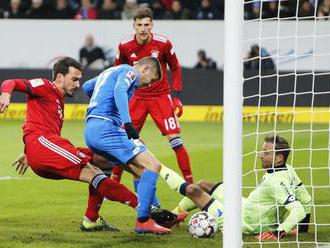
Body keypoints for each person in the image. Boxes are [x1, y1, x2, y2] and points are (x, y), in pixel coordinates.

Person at [0, 57, 142, 232]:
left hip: (43, 147)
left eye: (79, 80)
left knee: (103, 159)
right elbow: (11, 82)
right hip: (42, 146)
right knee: (93, 172)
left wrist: (27, 151)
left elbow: (36, 122)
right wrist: (6, 94)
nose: (78, 84)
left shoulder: (58, 101)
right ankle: (145, 209)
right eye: (74, 79)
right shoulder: (45, 86)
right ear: (60, 77)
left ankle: (91, 220)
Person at [82, 56, 179, 234]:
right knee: (152, 165)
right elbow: (119, 89)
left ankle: (157, 214)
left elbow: (87, 86)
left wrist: (100, 102)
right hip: (106, 128)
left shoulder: (109, 71)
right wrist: (127, 123)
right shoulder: (130, 71)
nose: (147, 85)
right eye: (150, 81)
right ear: (145, 69)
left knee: (138, 170)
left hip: (91, 129)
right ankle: (143, 221)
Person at [158, 135, 312, 240]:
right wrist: (303, 229)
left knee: (192, 191)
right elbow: (306, 198)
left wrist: (279, 232)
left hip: (241, 222)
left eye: (266, 152)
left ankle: (158, 167)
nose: (260, 155)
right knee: (203, 185)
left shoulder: (276, 182)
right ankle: (175, 216)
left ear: (279, 157)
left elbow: (297, 209)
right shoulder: (288, 170)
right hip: (246, 207)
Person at [113, 7, 194, 186]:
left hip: (160, 98)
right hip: (137, 98)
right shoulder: (125, 46)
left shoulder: (163, 43)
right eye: (139, 24)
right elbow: (117, 71)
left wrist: (177, 96)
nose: (143, 28)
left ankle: (190, 183)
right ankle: (115, 181)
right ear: (134, 25)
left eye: (146, 24)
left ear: (152, 25)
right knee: (124, 142)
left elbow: (175, 67)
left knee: (176, 141)